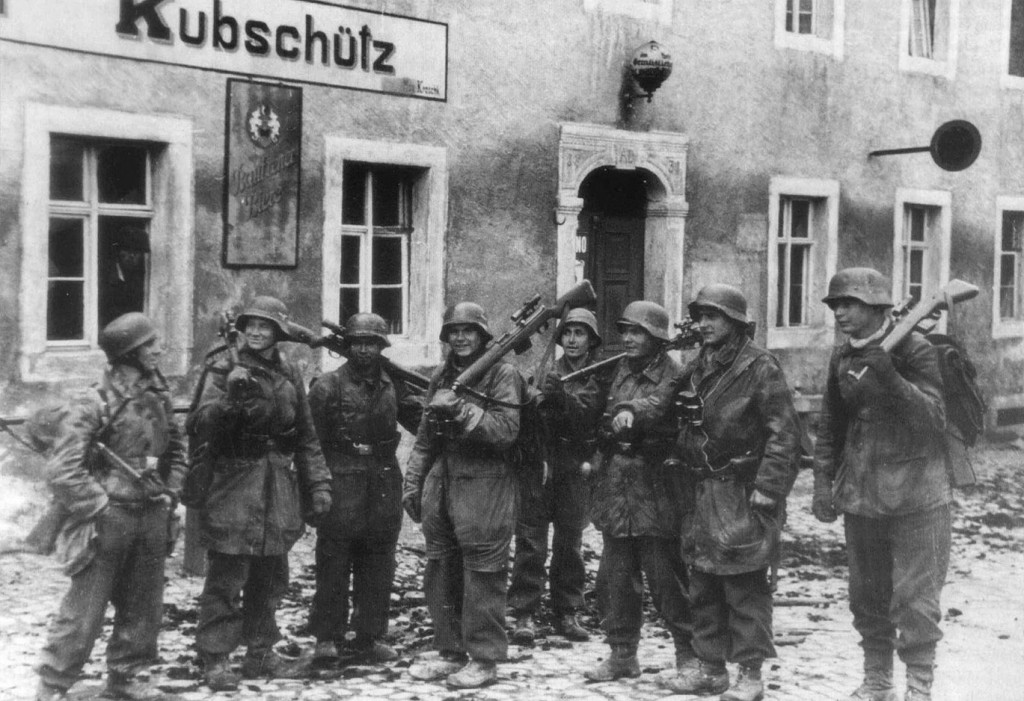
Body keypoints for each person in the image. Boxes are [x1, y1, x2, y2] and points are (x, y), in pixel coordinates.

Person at [812, 268, 949, 701]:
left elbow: (934, 421)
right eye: (836, 305)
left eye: (848, 304)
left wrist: (891, 377)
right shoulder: (842, 356)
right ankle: (877, 679)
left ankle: (918, 685)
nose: (840, 313)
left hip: (916, 494)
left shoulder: (914, 348)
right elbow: (830, 424)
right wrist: (822, 481)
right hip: (861, 492)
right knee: (866, 595)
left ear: (875, 306)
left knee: (915, 598)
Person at [35, 312, 187, 701]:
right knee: (84, 611)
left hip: (151, 510)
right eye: (149, 345)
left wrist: (171, 494)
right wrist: (99, 504)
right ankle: (53, 684)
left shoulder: (159, 395)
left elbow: (176, 450)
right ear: (128, 354)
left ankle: (129, 677)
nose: (158, 350)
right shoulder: (94, 401)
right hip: (109, 517)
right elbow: (63, 470)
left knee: (144, 606)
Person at [661, 285, 801, 701]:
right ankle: (710, 668)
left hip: (741, 491)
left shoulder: (760, 368)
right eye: (700, 316)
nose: (704, 324)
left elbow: (785, 436)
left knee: (744, 587)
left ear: (736, 323)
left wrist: (769, 489)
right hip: (700, 490)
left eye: (713, 317)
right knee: (703, 583)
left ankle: (751, 675)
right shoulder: (698, 365)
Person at [187, 296, 332, 691]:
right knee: (228, 573)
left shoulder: (289, 370)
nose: (255, 332)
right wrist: (231, 400)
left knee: (271, 573)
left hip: (277, 484)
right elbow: (200, 426)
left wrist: (317, 483)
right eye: (250, 325)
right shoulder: (222, 365)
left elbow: (305, 435)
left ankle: (260, 652)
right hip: (235, 482)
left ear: (278, 333)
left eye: (265, 327)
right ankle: (216, 657)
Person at [402, 302, 522, 689]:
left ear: (483, 335)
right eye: (453, 331)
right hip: (445, 476)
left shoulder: (502, 374)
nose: (460, 337)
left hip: (487, 479)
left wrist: (464, 410)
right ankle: (449, 650)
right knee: (441, 567)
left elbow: (506, 431)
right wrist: (414, 480)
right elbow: (424, 438)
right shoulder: (444, 373)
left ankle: (485, 658)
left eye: (469, 330)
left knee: (484, 571)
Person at [584, 300, 695, 682]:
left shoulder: (677, 374)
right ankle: (622, 654)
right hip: (618, 487)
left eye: (638, 332)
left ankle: (688, 655)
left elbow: (664, 410)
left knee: (667, 578)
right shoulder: (618, 371)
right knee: (614, 578)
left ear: (658, 338)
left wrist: (634, 415)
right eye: (626, 331)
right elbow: (599, 416)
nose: (628, 339)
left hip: (656, 487)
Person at [307, 312, 423, 665]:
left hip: (384, 478)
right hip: (342, 475)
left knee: (379, 559)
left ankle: (369, 636)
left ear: (382, 347)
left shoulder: (394, 386)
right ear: (347, 346)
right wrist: (316, 486)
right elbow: (310, 441)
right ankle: (327, 636)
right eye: (358, 343)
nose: (365, 350)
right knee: (334, 558)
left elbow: (421, 423)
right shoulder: (327, 386)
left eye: (372, 343)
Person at [508, 308, 605, 644]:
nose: (573, 340)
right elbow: (530, 419)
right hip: (543, 464)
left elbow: (592, 417)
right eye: (568, 333)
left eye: (581, 334)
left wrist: (562, 399)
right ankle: (525, 612)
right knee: (531, 541)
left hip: (576, 464)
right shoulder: (548, 370)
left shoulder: (599, 377)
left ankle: (568, 610)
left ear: (592, 340)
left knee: (570, 543)